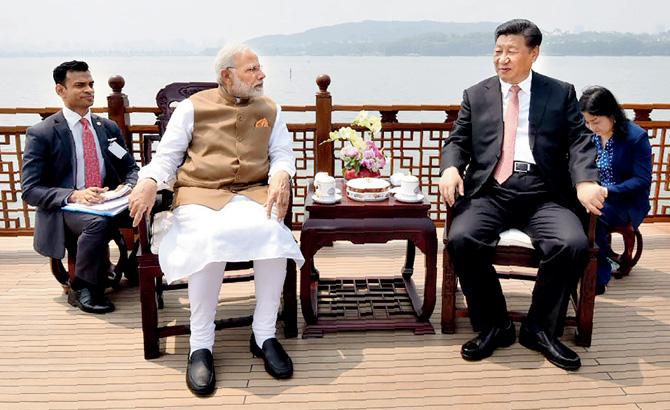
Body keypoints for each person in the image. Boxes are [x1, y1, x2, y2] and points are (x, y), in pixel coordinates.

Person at [128, 43, 304, 396]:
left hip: (252, 193)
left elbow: (282, 153)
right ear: (227, 75)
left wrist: (282, 175)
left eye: (259, 68)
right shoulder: (192, 108)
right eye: (252, 69)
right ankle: (201, 343)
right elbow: (167, 157)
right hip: (199, 194)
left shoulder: (270, 107)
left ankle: (264, 334)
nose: (262, 75)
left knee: (273, 235)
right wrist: (148, 181)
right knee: (209, 240)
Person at [438, 19, 606, 371]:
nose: (502, 59)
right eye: (497, 51)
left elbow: (579, 141)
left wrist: (585, 181)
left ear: (534, 53)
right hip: (491, 191)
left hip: (543, 192)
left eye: (511, 52)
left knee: (571, 243)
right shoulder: (476, 94)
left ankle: (540, 329)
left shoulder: (559, 92)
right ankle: (494, 325)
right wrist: (451, 168)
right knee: (462, 238)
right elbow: (457, 140)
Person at [21, 60, 139, 314]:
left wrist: (125, 188)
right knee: (96, 223)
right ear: (60, 90)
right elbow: (31, 190)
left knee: (156, 206)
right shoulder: (42, 133)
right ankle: (83, 287)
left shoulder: (107, 128)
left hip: (109, 202)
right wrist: (74, 195)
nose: (89, 90)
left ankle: (136, 266)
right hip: (68, 208)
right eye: (80, 85)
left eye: (91, 84)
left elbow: (131, 168)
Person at [579, 86, 652, 295]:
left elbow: (642, 179)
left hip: (626, 202)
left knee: (594, 216)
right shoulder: (590, 135)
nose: (591, 127)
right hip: (598, 194)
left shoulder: (635, 138)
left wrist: (608, 191)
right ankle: (583, 265)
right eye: (587, 121)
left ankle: (598, 277)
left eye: (596, 121)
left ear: (611, 115)